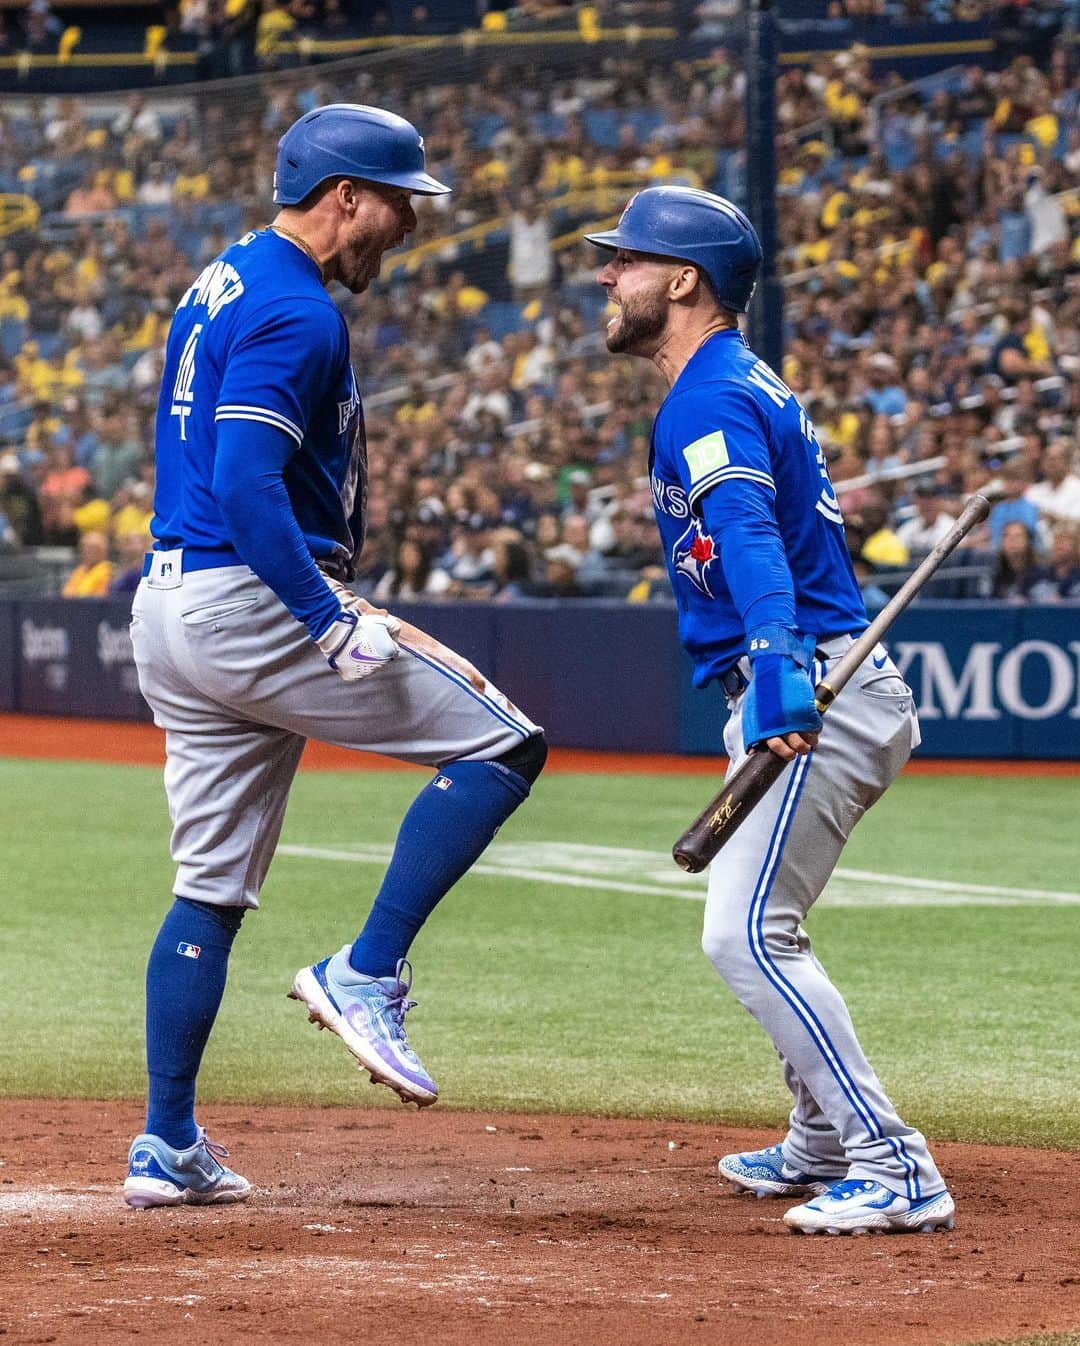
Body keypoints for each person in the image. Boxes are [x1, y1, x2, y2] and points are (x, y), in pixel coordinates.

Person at [123, 104, 547, 1210]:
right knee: (506, 742)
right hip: (252, 595)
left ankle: (167, 1141)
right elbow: (245, 483)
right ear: (343, 197)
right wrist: (324, 614)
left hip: (173, 600)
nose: (410, 223)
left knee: (209, 890)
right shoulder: (296, 309)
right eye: (399, 200)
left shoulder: (225, 276)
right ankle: (365, 971)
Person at [589, 186, 954, 1237]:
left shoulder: (707, 395)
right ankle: (822, 1138)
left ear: (685, 280)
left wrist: (779, 660)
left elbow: (747, 533)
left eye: (627, 259)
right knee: (766, 921)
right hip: (809, 678)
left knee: (747, 934)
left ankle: (894, 1161)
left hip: (812, 687)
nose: (609, 276)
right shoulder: (729, 382)